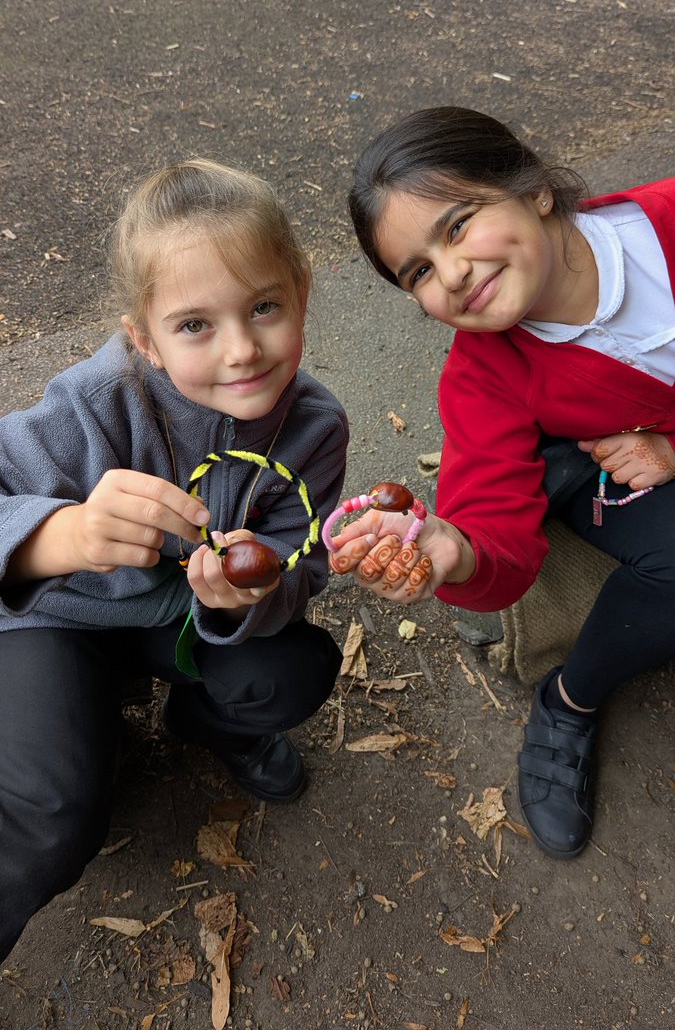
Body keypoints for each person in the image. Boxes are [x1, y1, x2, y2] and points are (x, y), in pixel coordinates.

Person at [0, 160, 348, 962]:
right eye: (194, 325)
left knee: (293, 670)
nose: (241, 350)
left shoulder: (316, 430)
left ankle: (198, 726)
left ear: (302, 290)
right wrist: (64, 537)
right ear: (144, 339)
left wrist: (239, 599)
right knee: (55, 812)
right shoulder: (96, 401)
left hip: (177, 622)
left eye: (264, 306)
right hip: (53, 617)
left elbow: (302, 568)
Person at [329, 105, 675, 861]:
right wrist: (445, 548)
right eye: (416, 271)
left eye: (457, 225)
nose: (449, 273)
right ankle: (569, 699)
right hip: (595, 471)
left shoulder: (667, 225)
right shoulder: (483, 371)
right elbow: (484, 520)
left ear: (537, 188)